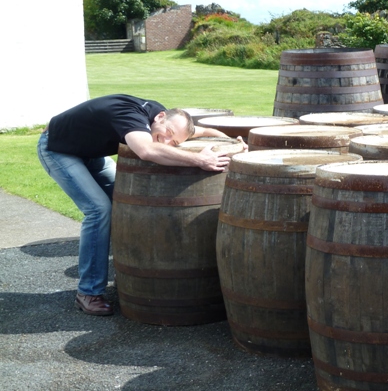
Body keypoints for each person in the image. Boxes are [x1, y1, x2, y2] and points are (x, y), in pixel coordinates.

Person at [37, 94, 244, 316]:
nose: (165, 141)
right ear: (161, 117)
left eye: (173, 142)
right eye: (168, 135)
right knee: (99, 210)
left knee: (126, 205)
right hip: (58, 149)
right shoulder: (130, 116)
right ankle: (88, 293)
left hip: (90, 152)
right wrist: (200, 160)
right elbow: (147, 151)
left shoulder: (164, 119)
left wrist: (235, 144)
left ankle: (127, 277)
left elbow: (203, 131)